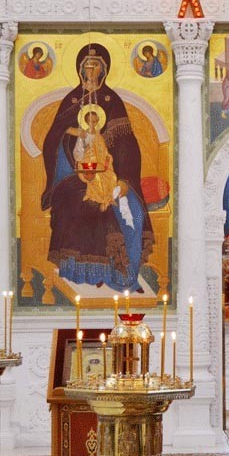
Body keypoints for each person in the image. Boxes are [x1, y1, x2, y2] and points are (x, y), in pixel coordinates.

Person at [41, 43, 154, 293]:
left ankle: (123, 275)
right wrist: (73, 134)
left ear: (104, 69)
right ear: (80, 69)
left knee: (132, 214)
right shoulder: (71, 100)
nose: (91, 70)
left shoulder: (112, 101)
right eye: (87, 66)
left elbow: (127, 146)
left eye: (96, 65)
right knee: (73, 204)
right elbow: (53, 140)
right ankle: (84, 273)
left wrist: (124, 180)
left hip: (111, 175)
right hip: (74, 174)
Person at [68, 108, 118, 212]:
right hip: (86, 163)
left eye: (95, 121)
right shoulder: (84, 135)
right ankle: (101, 200)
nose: (93, 124)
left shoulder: (99, 136)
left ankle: (109, 199)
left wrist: (108, 158)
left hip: (99, 163)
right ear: (87, 122)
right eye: (91, 121)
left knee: (112, 176)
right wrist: (85, 148)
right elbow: (77, 152)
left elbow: (104, 151)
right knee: (97, 177)